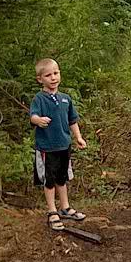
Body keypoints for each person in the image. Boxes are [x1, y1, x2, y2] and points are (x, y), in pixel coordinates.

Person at [29, 58, 88, 231]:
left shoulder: (65, 99)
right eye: (48, 75)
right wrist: (38, 120)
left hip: (64, 145)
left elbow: (73, 120)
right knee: (49, 180)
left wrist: (78, 137)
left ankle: (65, 207)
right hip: (47, 147)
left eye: (56, 73)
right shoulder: (39, 99)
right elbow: (32, 116)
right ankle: (52, 211)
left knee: (62, 179)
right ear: (40, 79)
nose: (53, 78)